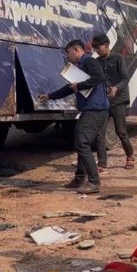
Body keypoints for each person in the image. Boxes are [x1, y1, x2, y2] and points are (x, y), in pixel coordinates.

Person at [39, 40, 109, 194]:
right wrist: (50, 96)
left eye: (68, 52)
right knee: (80, 140)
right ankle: (79, 179)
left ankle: (94, 182)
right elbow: (69, 88)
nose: (67, 56)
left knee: (82, 141)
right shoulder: (80, 67)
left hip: (96, 109)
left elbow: (99, 78)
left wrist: (80, 86)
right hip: (90, 110)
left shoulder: (89, 62)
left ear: (77, 50)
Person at [92, 34, 136, 169]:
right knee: (100, 133)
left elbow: (125, 77)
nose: (97, 50)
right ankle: (102, 163)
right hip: (103, 101)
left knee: (121, 131)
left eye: (98, 47)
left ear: (106, 45)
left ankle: (130, 156)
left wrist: (116, 88)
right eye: (95, 48)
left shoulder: (118, 58)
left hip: (118, 101)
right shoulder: (97, 61)